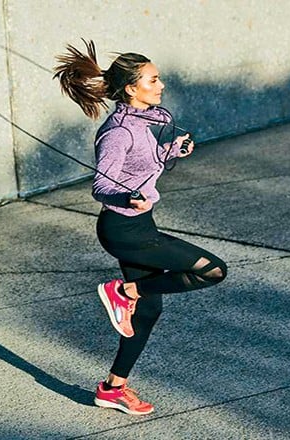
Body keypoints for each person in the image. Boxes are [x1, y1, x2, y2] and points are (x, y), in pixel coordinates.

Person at [54, 40, 227, 416]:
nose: (160, 84)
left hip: (140, 224)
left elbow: (147, 163)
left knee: (147, 313)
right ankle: (123, 290)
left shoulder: (152, 119)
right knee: (213, 270)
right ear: (132, 88)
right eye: (153, 80)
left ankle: (112, 389)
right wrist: (126, 197)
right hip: (124, 229)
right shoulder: (117, 132)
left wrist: (172, 151)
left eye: (158, 77)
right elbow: (101, 185)